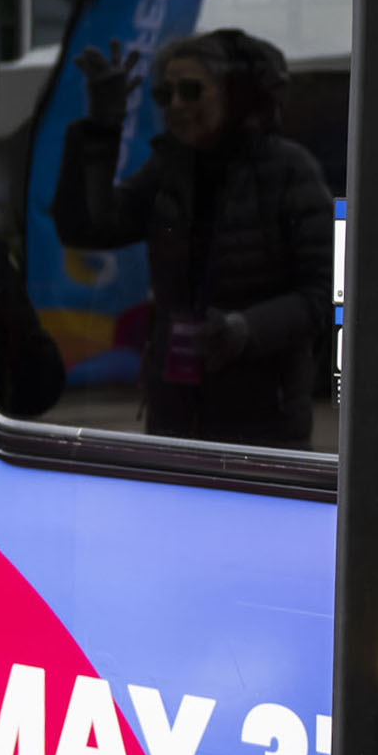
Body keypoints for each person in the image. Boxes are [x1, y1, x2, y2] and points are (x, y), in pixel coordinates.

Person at [50, 28, 332, 447]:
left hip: (263, 422)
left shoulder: (291, 171)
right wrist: (101, 128)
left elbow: (322, 294)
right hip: (175, 413)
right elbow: (88, 228)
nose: (176, 106)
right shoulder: (168, 170)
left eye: (191, 91)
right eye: (165, 95)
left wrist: (245, 329)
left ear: (233, 94)